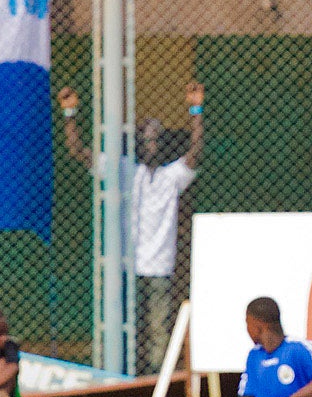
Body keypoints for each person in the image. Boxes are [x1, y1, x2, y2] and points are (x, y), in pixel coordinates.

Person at [56, 80, 205, 375]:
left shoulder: (170, 176)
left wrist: (196, 110)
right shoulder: (124, 170)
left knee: (159, 327)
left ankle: (155, 381)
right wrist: (70, 114)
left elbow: (196, 152)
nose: (151, 144)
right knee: (127, 326)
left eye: (156, 139)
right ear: (136, 142)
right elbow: (78, 151)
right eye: (145, 138)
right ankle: (125, 376)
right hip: (127, 266)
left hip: (160, 265)